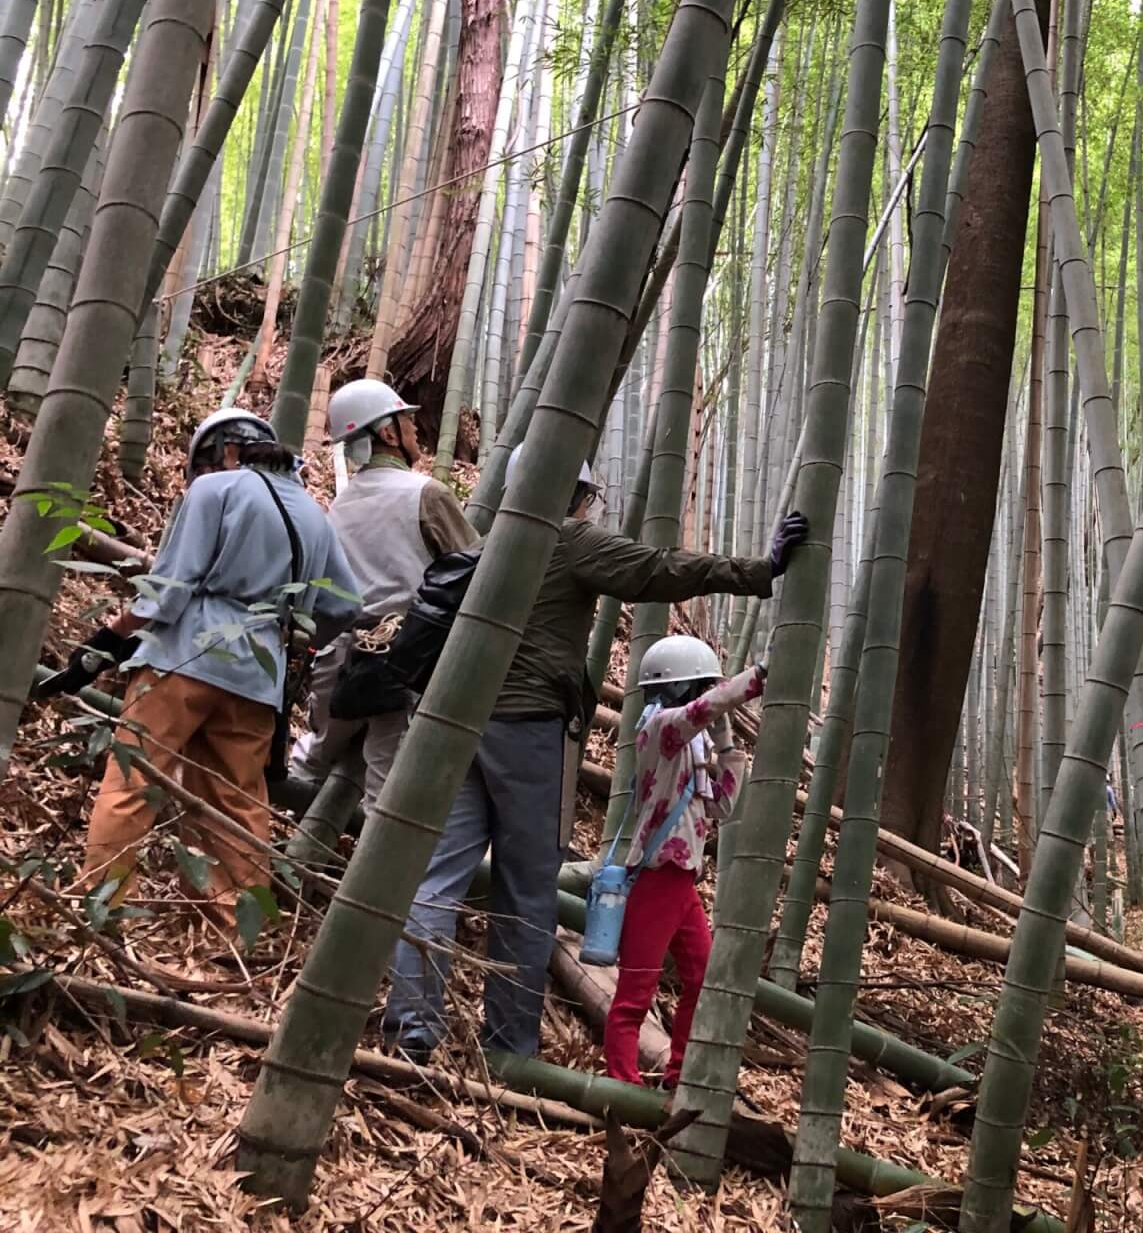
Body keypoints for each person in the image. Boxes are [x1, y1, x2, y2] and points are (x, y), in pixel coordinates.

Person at [381, 444, 807, 1063]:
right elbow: (659, 568)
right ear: (573, 495)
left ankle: (413, 1029)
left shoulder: (484, 542)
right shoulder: (567, 540)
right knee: (526, 892)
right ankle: (508, 1044)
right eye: (586, 500)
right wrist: (761, 569)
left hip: (454, 727)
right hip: (529, 733)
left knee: (436, 879)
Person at [80, 408, 361, 926]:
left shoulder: (215, 491)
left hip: (181, 659)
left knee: (133, 783)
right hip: (257, 674)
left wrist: (106, 641)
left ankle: (104, 914)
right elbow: (347, 605)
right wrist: (298, 642)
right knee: (235, 804)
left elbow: (168, 590)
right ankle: (236, 932)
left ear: (226, 451)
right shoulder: (315, 515)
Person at [292, 378, 476, 804]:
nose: (415, 430)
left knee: (313, 756)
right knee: (387, 786)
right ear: (388, 433)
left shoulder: (336, 507)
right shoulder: (426, 494)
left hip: (336, 662)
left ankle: (273, 842)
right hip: (399, 658)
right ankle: (373, 872)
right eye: (406, 422)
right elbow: (474, 571)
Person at [601, 635, 762, 1086]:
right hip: (658, 877)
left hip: (681, 880)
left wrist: (728, 744)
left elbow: (720, 807)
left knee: (702, 978)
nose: (701, 696)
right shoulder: (658, 730)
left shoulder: (689, 747)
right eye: (698, 686)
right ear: (677, 689)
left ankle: (679, 1074)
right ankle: (621, 1085)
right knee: (636, 991)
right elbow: (701, 711)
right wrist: (755, 679)